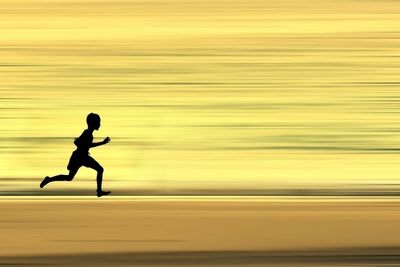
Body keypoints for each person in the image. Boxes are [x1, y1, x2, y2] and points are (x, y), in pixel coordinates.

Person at [40, 113, 111, 197]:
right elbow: (79, 143)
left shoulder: (88, 133)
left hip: (81, 157)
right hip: (80, 157)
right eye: (98, 122)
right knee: (98, 170)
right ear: (93, 123)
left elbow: (83, 144)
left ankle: (49, 179)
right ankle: (99, 191)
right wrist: (101, 143)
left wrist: (100, 143)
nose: (100, 124)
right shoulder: (87, 133)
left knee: (70, 177)